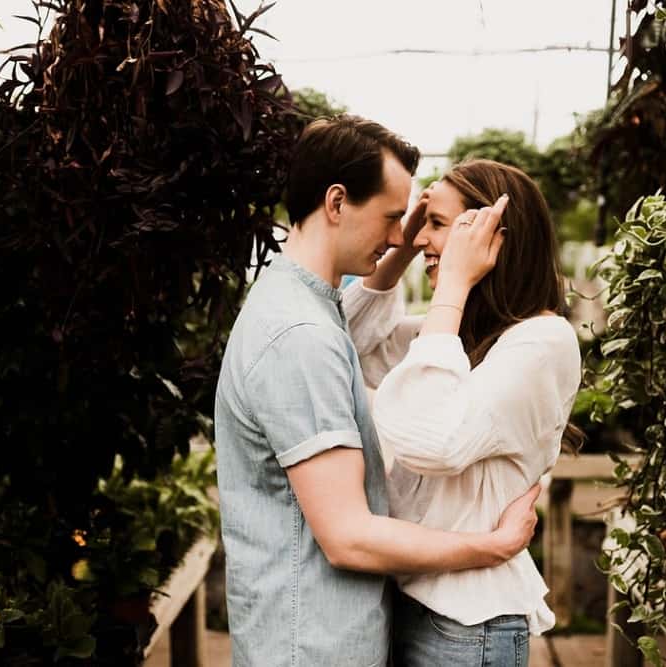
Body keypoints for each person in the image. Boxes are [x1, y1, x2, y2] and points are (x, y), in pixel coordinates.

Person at [214, 118, 543, 667]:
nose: (401, 236)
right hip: (313, 649)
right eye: (393, 218)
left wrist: (407, 250)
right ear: (337, 202)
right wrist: (493, 547)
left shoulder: (298, 303)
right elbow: (349, 537)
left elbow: (361, 333)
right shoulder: (301, 335)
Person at [342, 159, 582, 666]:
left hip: (467, 626)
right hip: (414, 602)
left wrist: (451, 285)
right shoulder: (461, 334)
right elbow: (352, 342)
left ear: (492, 238)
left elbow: (434, 442)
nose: (422, 238)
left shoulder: (542, 341)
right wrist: (403, 248)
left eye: (436, 224)